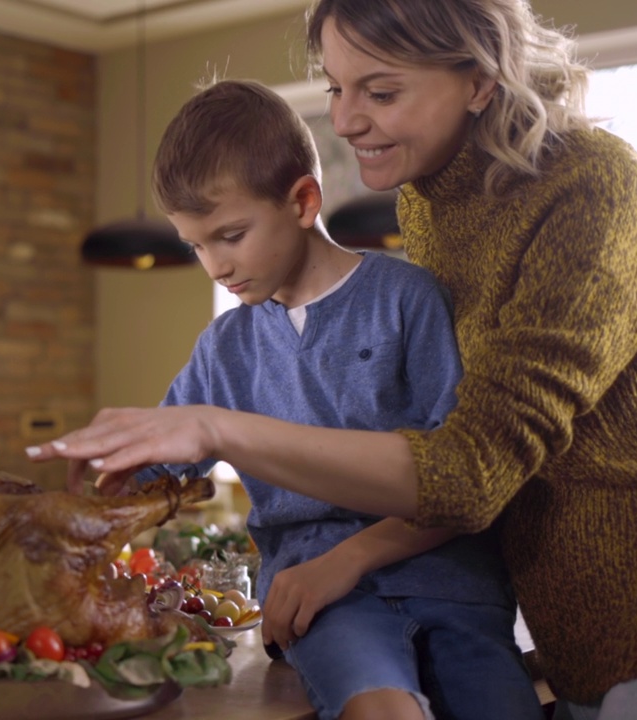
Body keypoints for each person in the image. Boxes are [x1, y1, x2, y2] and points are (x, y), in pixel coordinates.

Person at [29, 1, 637, 719]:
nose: (342, 121)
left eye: (382, 91)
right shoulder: (431, 206)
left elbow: (471, 469)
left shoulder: (591, 188)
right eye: (336, 88)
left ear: (480, 80)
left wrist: (218, 431)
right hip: (575, 629)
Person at [89, 77, 537, 720]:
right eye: (196, 246)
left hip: (456, 587)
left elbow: (468, 478)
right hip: (322, 604)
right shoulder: (222, 349)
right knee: (381, 711)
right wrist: (105, 480)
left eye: (231, 235)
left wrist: (356, 557)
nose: (214, 265)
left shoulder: (408, 298)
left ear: (302, 201)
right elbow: (153, 478)